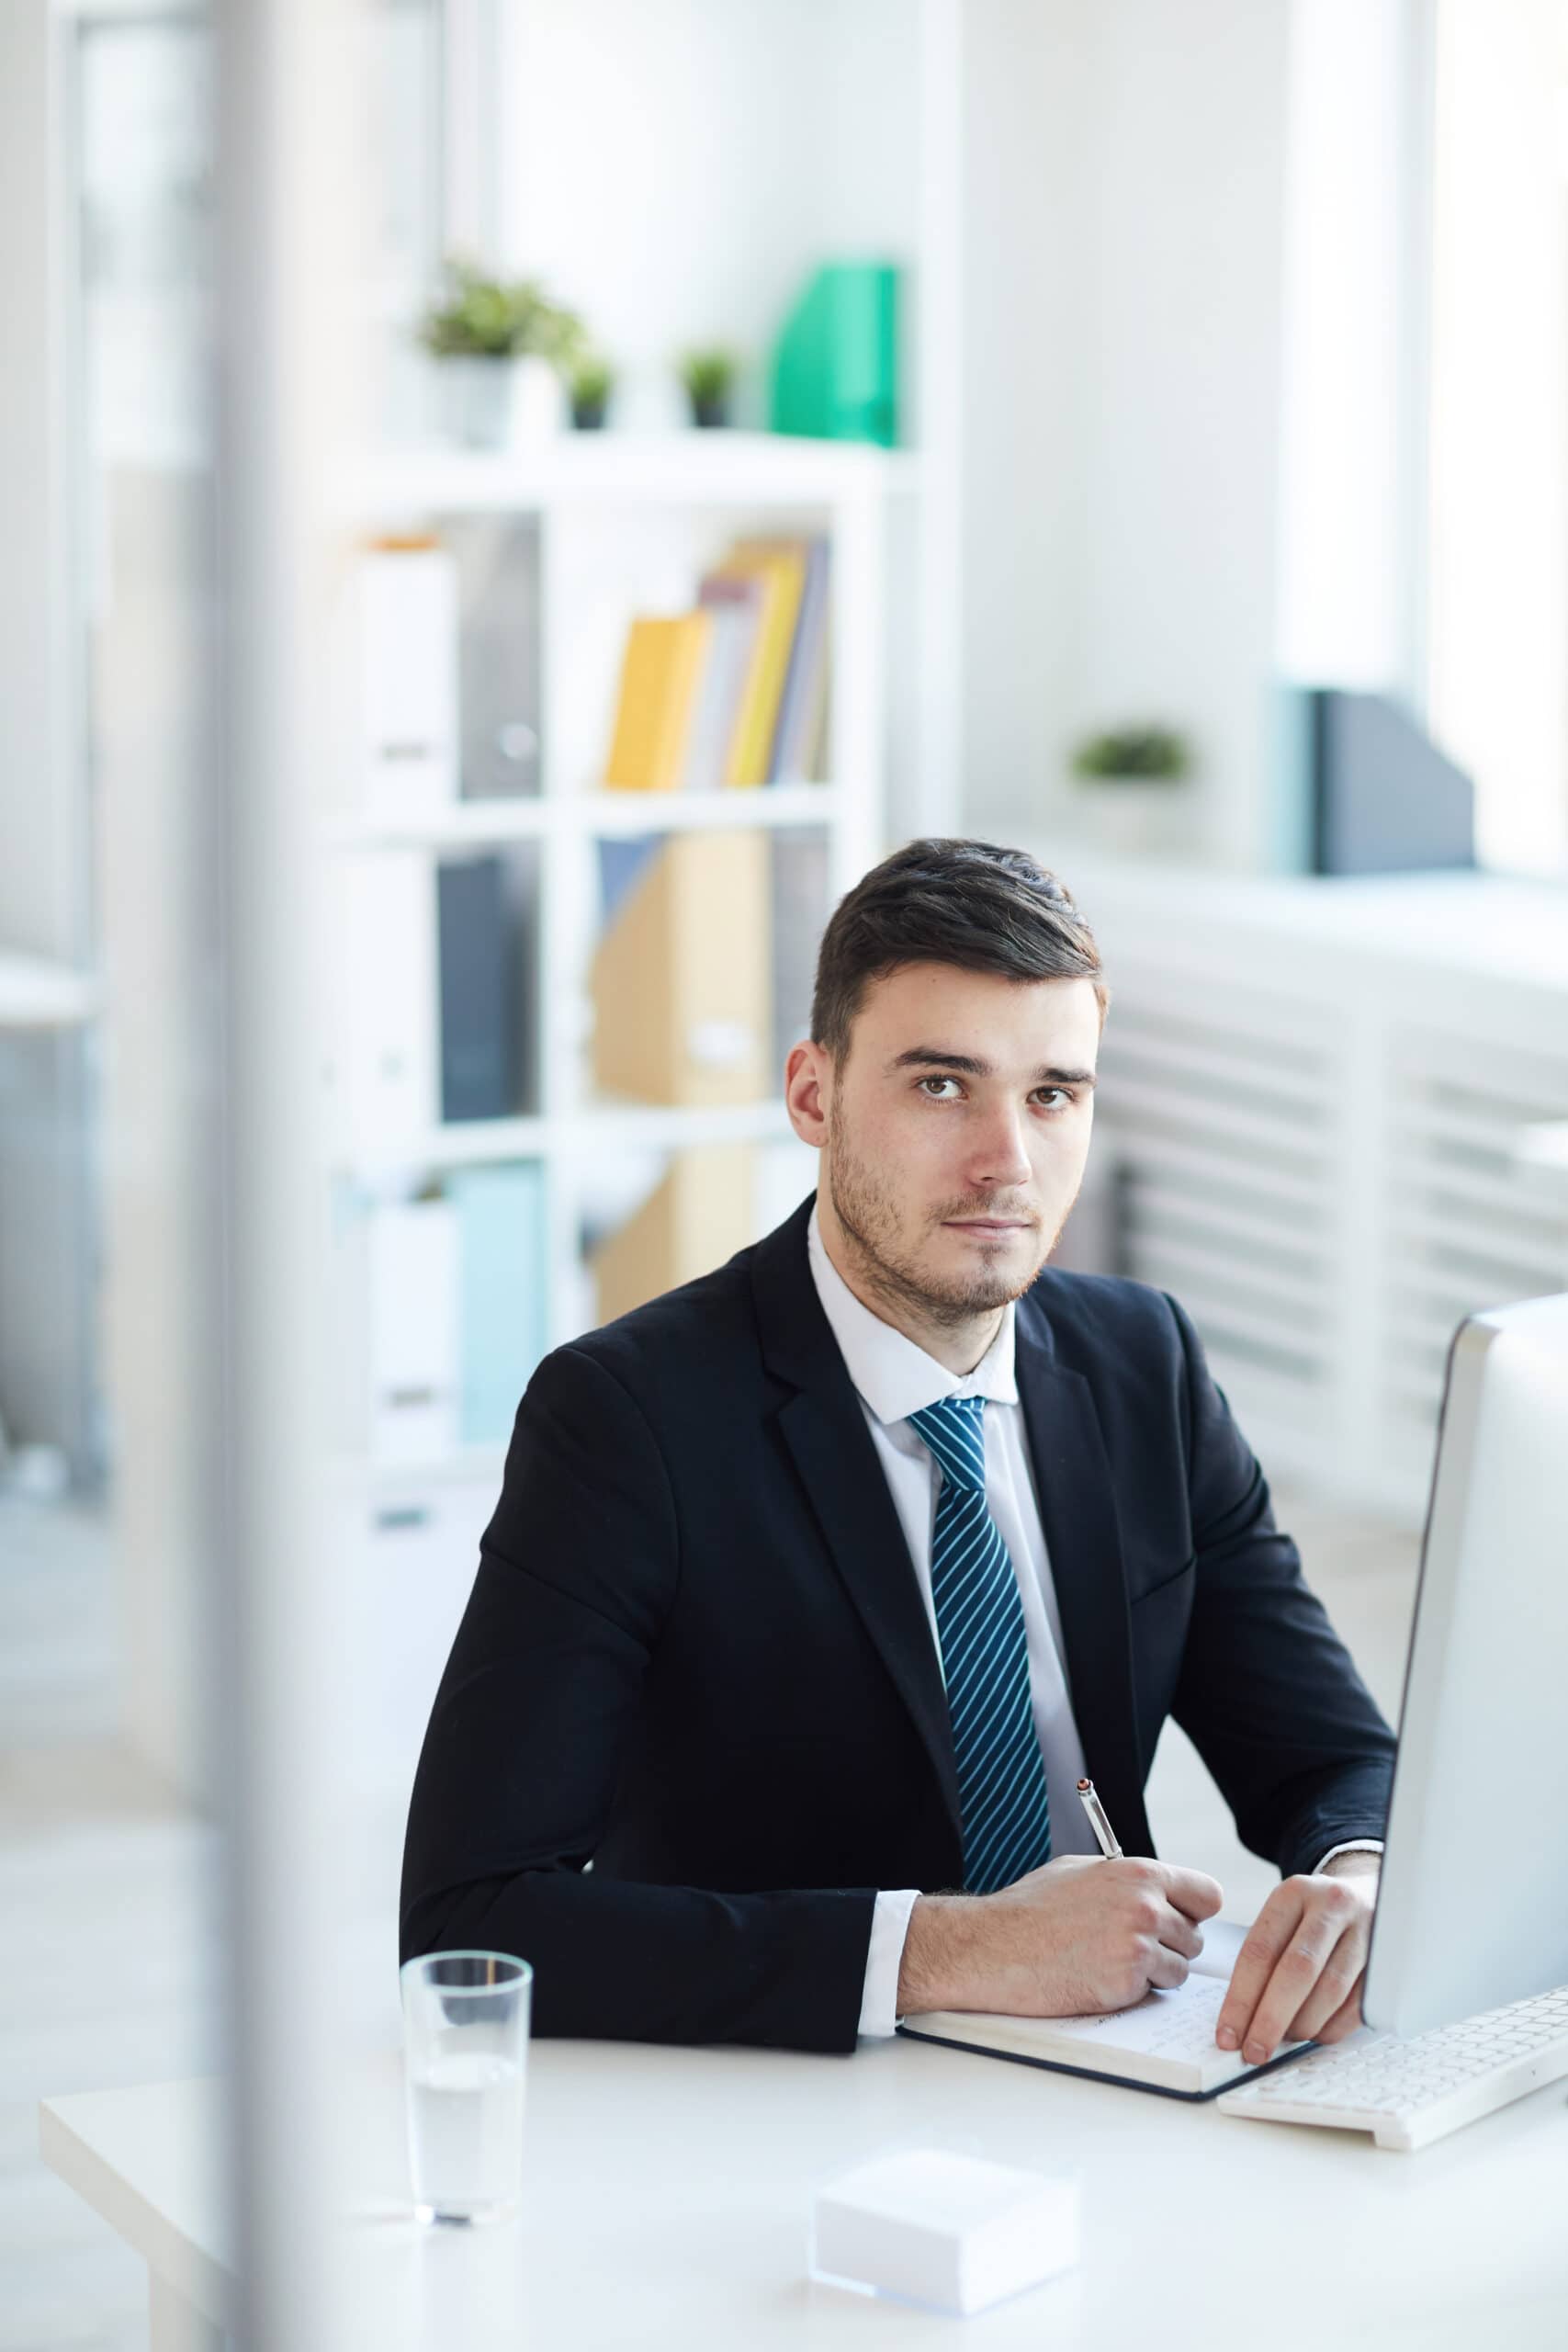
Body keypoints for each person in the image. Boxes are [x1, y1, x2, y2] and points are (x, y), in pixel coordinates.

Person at [401, 838, 1394, 2065]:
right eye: (941, 1086)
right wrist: (951, 1950)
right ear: (813, 1095)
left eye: (1052, 1094)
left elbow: (1338, 1756)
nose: (1006, 1162)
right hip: (797, 2095)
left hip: (1127, 2063)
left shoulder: (1149, 1364)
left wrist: (1360, 1879)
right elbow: (468, 1922)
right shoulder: (625, 1418)